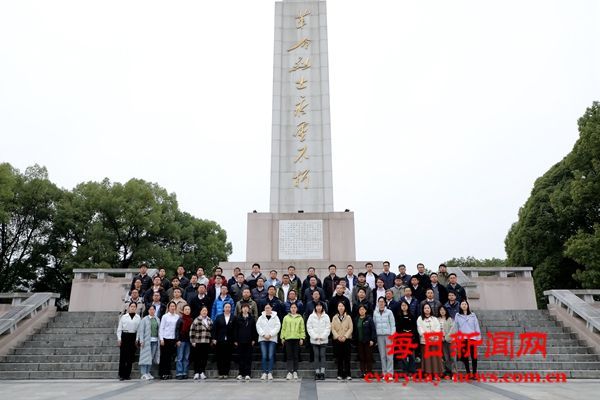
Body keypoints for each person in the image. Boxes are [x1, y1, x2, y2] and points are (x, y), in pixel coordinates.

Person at [453, 300, 481, 374]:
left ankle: (474, 373)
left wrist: (478, 338)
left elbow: (476, 326)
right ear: (460, 306)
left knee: (474, 356)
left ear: (468, 305)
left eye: (465, 304)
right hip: (463, 338)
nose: (464, 305)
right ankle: (468, 372)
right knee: (465, 356)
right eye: (462, 304)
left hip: (472, 338)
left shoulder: (473, 315)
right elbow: (456, 327)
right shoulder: (457, 315)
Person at [417, 303, 443, 376]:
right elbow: (420, 329)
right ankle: (427, 374)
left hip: (434, 340)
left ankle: (436, 373)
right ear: (423, 309)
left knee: (435, 358)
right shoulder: (420, 318)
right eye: (425, 308)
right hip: (425, 341)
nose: (427, 309)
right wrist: (427, 335)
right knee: (427, 358)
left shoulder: (434, 318)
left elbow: (438, 328)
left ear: (430, 309)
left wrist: (432, 335)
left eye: (428, 308)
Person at [306, 301, 331, 380]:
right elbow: (309, 327)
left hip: (323, 340)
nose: (319, 307)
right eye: (317, 306)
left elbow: (328, 327)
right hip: (314, 340)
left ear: (322, 307)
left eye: (320, 306)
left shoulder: (326, 316)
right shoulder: (311, 316)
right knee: (316, 356)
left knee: (323, 355)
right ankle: (317, 372)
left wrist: (323, 336)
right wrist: (315, 336)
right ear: (315, 307)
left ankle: (322, 372)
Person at [256, 303, 281, 380]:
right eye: (266, 308)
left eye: (269, 308)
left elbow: (277, 327)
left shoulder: (275, 317)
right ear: (264, 309)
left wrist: (270, 334)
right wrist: (263, 335)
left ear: (271, 309)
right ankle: (264, 372)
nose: (267, 309)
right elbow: (258, 327)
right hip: (263, 339)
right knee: (264, 356)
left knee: (270, 356)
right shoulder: (260, 317)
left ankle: (270, 372)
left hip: (272, 339)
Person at [280, 303, 305, 380]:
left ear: (297, 309)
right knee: (289, 356)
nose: (293, 309)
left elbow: (302, 329)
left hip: (297, 339)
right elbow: (283, 328)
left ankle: (295, 371)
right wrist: (282, 337)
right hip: (288, 339)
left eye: (295, 307)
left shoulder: (300, 318)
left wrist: (302, 338)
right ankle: (289, 372)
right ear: (290, 309)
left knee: (296, 356)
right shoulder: (286, 318)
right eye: (292, 307)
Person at [117, 302, 141, 380]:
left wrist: (137, 339)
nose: (133, 308)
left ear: (136, 308)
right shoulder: (124, 317)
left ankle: (127, 374)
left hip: (133, 336)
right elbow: (119, 328)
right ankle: (121, 375)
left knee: (130, 357)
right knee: (123, 357)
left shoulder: (138, 317)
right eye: (131, 306)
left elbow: (139, 330)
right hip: (125, 336)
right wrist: (119, 339)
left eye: (134, 307)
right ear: (129, 307)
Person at [212, 302, 236, 379]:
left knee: (227, 357)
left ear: (231, 308)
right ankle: (221, 372)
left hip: (229, 340)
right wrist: (214, 338)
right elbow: (214, 329)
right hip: (220, 340)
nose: (227, 308)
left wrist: (235, 340)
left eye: (229, 307)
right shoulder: (219, 317)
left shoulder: (233, 317)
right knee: (220, 357)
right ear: (223, 308)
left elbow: (235, 330)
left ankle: (226, 372)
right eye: (226, 307)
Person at [233, 303, 257, 380]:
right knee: (241, 357)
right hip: (240, 341)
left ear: (249, 309)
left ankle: (247, 374)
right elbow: (235, 330)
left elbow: (254, 330)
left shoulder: (252, 318)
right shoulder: (237, 318)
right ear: (241, 309)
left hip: (249, 341)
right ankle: (241, 373)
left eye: (246, 308)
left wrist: (253, 339)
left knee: (248, 358)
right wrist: (235, 340)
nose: (245, 309)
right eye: (244, 308)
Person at [137, 304, 160, 380]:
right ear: (148, 311)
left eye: (153, 309)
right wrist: (141, 340)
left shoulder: (157, 319)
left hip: (155, 340)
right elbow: (141, 331)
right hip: (146, 341)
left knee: (151, 357)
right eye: (150, 309)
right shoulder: (144, 319)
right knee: (145, 357)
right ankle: (143, 373)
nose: (152, 311)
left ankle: (148, 372)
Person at [331, 302, 353, 380]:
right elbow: (332, 328)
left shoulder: (348, 317)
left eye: (342, 306)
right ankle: (340, 374)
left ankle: (348, 374)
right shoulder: (334, 317)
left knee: (347, 357)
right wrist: (337, 336)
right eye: (339, 306)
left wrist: (345, 336)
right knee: (339, 358)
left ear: (344, 307)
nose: (341, 307)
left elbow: (351, 328)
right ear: (337, 307)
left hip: (346, 340)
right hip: (338, 340)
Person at [353, 304, 376, 378]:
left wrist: (372, 339)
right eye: (360, 309)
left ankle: (369, 372)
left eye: (363, 309)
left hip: (368, 341)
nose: (361, 311)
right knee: (361, 357)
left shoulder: (369, 319)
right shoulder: (356, 319)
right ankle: (363, 372)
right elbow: (355, 330)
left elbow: (373, 330)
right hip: (359, 341)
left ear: (365, 310)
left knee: (368, 357)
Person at [158, 301, 180, 380]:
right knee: (164, 357)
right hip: (165, 338)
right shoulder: (165, 316)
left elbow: (177, 329)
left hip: (173, 339)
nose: (172, 308)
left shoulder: (177, 317)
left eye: (174, 306)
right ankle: (162, 373)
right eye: (171, 306)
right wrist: (161, 339)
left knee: (170, 357)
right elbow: (161, 328)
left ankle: (168, 372)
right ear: (168, 307)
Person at [373, 296, 395, 374]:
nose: (381, 303)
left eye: (382, 302)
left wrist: (392, 335)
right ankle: (384, 373)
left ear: (385, 303)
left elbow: (393, 325)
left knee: (389, 356)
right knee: (382, 356)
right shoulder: (375, 313)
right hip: (379, 336)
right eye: (380, 302)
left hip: (388, 335)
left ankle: (390, 373)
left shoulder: (389, 312)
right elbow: (374, 325)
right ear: (377, 303)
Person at [189, 306, 212, 380]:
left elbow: (211, 330)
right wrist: (193, 341)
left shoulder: (209, 320)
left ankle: (202, 372)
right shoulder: (196, 320)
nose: (204, 312)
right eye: (203, 310)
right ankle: (196, 372)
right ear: (200, 312)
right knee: (197, 357)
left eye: (206, 310)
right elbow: (192, 331)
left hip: (206, 341)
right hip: (198, 341)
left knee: (204, 357)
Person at [396, 300, 417, 373]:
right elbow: (398, 328)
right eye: (402, 305)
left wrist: (412, 333)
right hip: (402, 338)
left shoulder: (412, 316)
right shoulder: (398, 316)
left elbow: (414, 327)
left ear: (408, 306)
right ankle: (405, 371)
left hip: (411, 337)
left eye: (405, 305)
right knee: (403, 355)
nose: (404, 307)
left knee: (412, 355)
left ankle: (412, 371)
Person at [174, 305, 193, 379]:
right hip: (181, 341)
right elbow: (177, 330)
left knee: (186, 357)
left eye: (188, 309)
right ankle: (179, 373)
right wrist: (177, 340)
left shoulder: (191, 320)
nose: (187, 310)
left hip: (188, 341)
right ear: (183, 311)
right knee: (180, 357)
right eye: (186, 309)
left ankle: (185, 372)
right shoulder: (180, 319)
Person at [438, 306, 456, 377]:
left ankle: (454, 372)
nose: (442, 311)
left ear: (446, 311)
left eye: (443, 310)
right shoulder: (437, 319)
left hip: (450, 340)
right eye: (441, 310)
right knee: (445, 357)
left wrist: (446, 337)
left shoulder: (450, 319)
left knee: (452, 357)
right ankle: (447, 371)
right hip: (441, 341)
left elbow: (452, 329)